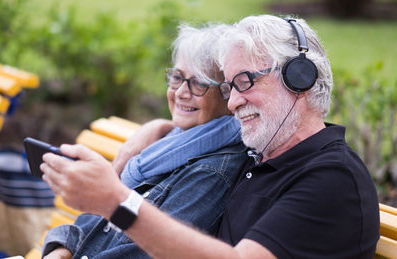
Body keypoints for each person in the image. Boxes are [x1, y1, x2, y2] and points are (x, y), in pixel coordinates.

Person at [41, 15, 380, 258]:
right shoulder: (260, 156)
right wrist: (158, 128)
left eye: (245, 81)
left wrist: (117, 202)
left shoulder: (332, 178)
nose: (233, 101)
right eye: (230, 87)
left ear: (299, 79)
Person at [41, 23, 249, 258]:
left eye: (200, 82)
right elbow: (97, 211)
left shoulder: (212, 173)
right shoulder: (171, 141)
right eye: (177, 77)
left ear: (228, 93)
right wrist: (60, 251)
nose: (181, 92)